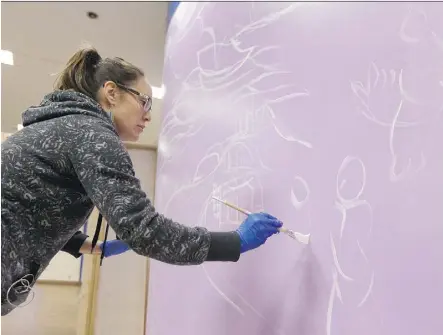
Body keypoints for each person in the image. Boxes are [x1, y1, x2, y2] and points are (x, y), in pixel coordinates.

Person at [1, 47, 283, 316]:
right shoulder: (91, 134)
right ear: (111, 92)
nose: (148, 115)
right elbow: (145, 232)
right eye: (144, 100)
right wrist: (235, 242)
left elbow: (26, 201)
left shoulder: (67, 125)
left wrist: (84, 244)